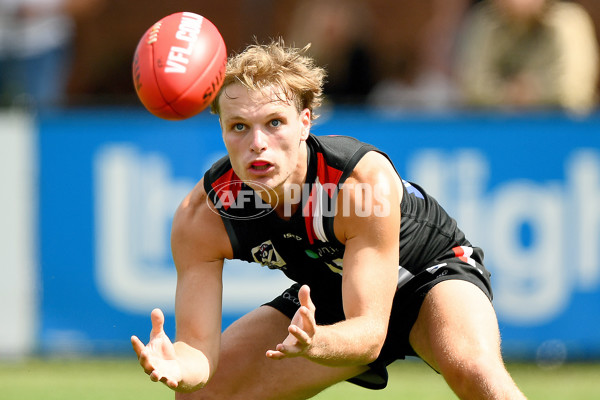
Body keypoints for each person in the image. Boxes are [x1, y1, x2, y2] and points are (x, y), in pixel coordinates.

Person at [131, 40, 527, 400]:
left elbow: (370, 333)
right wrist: (180, 366)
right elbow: (198, 350)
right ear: (221, 131)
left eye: (274, 122)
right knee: (201, 397)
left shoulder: (358, 184)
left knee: (475, 372)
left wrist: (315, 341)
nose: (257, 143)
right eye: (239, 126)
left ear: (304, 123)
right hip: (331, 291)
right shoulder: (204, 215)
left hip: (427, 273)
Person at [454, 0, 599, 114]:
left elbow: (574, 90)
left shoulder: (568, 21)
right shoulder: (485, 21)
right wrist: (509, 94)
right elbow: (472, 85)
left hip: (564, 129)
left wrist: (534, 94)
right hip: (498, 129)